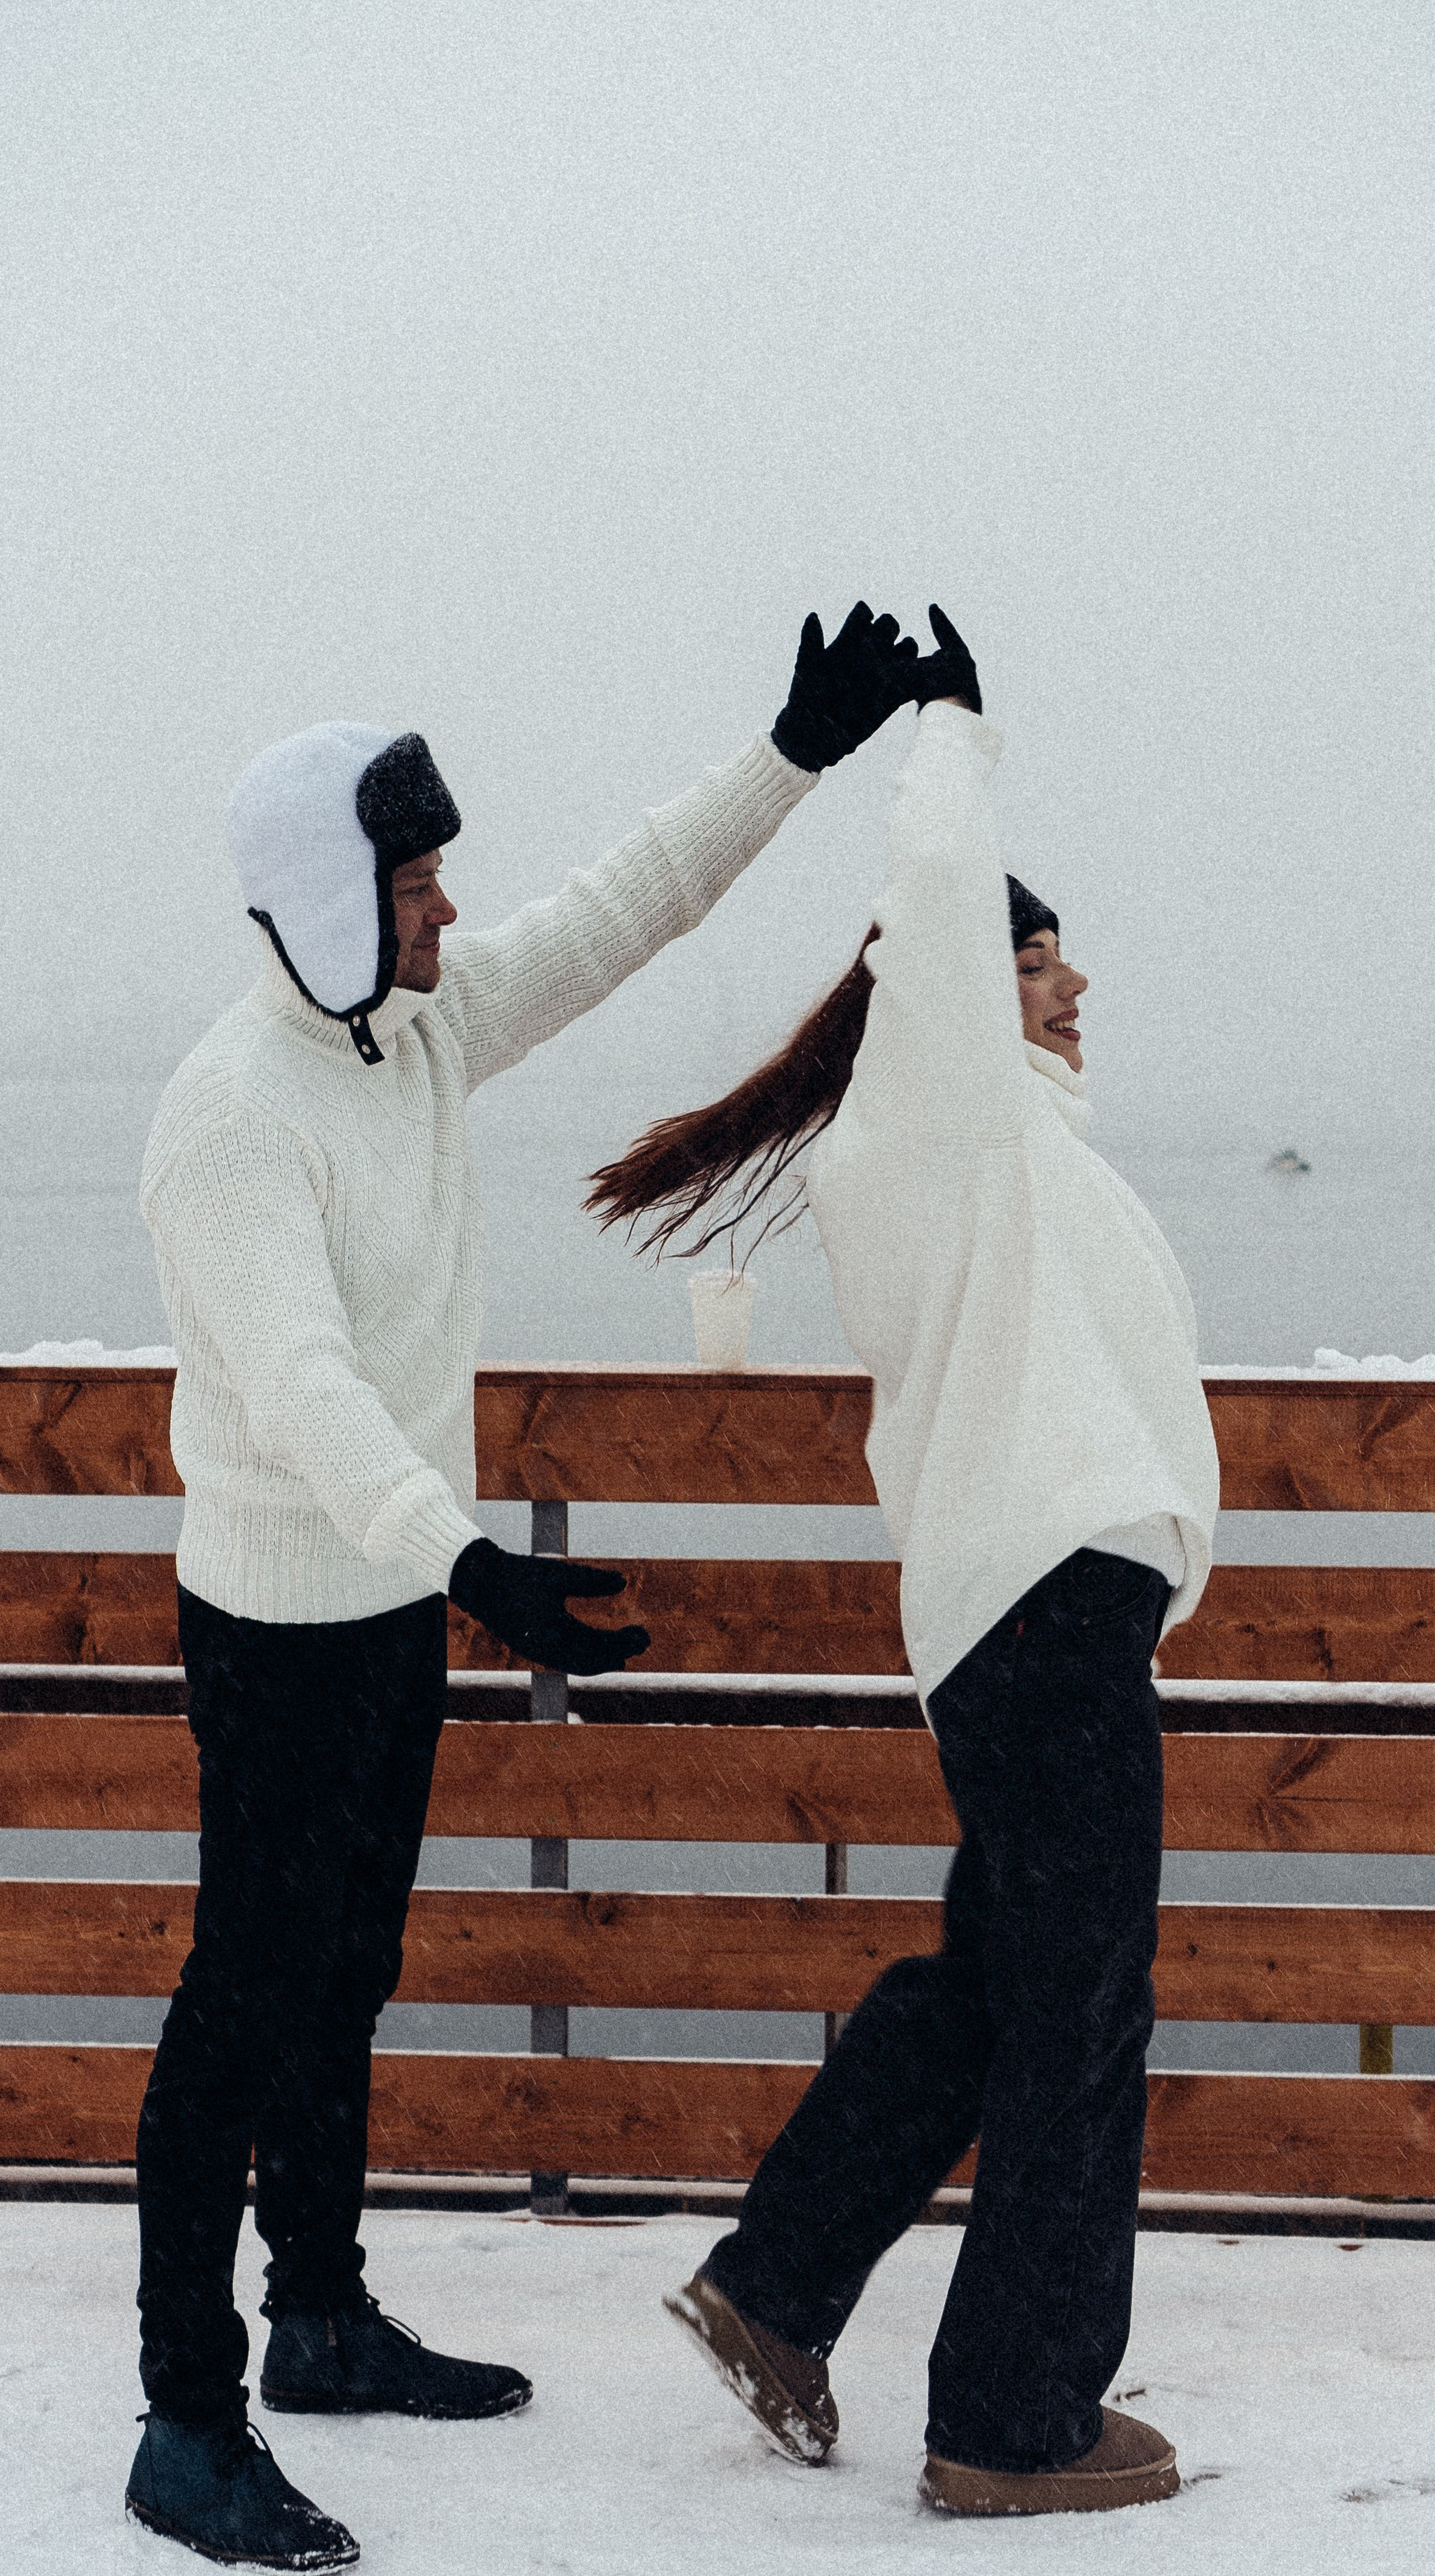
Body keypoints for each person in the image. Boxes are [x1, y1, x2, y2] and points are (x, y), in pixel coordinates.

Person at [126, 604, 922, 2570]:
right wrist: (470, 1552)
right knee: (239, 2004)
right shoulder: (233, 1120)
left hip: (387, 1611)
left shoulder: (416, 1033)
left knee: (349, 1978)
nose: (447, 907)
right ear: (325, 896)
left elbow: (621, 904)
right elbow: (302, 1391)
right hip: (277, 1620)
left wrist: (792, 753)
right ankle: (182, 2417)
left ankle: (316, 2317)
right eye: (412, 881)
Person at [587, 609, 1220, 2519]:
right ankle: (1012, 2419)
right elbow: (935, 875)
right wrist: (951, 721)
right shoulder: (940, 1110)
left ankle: (778, 2284)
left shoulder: (968, 1143)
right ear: (957, 986)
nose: (1075, 979)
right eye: (1042, 959)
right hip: (1046, 1610)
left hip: (1026, 1615)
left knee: (1001, 1984)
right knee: (1081, 2011)